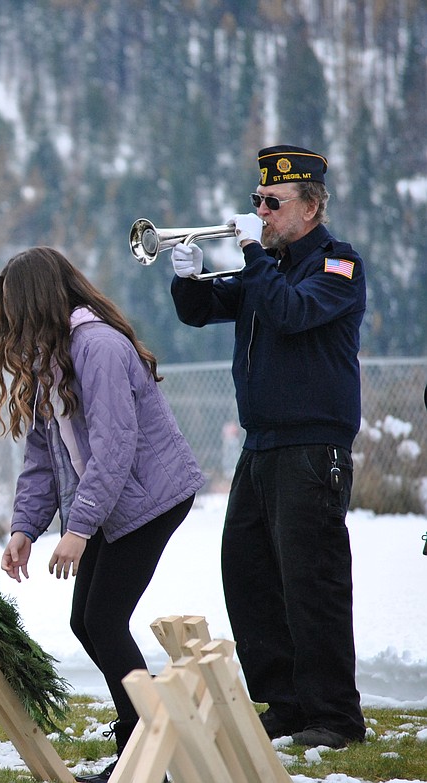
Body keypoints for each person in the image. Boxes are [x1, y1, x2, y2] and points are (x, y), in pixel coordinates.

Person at [170, 145, 367, 749]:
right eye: (257, 201)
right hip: (261, 445)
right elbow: (206, 311)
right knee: (250, 575)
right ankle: (284, 702)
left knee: (313, 581)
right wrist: (187, 277)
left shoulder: (336, 266)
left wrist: (253, 253)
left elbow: (290, 315)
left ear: (309, 208)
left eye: (272, 204)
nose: (260, 211)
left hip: (312, 445)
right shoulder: (270, 269)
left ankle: (334, 714)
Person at [0, 247, 204, 782]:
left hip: (150, 497)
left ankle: (147, 754)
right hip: (112, 498)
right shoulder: (51, 357)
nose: (8, 322)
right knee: (85, 620)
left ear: (36, 301)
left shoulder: (98, 347)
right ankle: (144, 742)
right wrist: (25, 528)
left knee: (104, 620)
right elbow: (43, 456)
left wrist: (79, 528)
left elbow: (116, 448)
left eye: (13, 309)